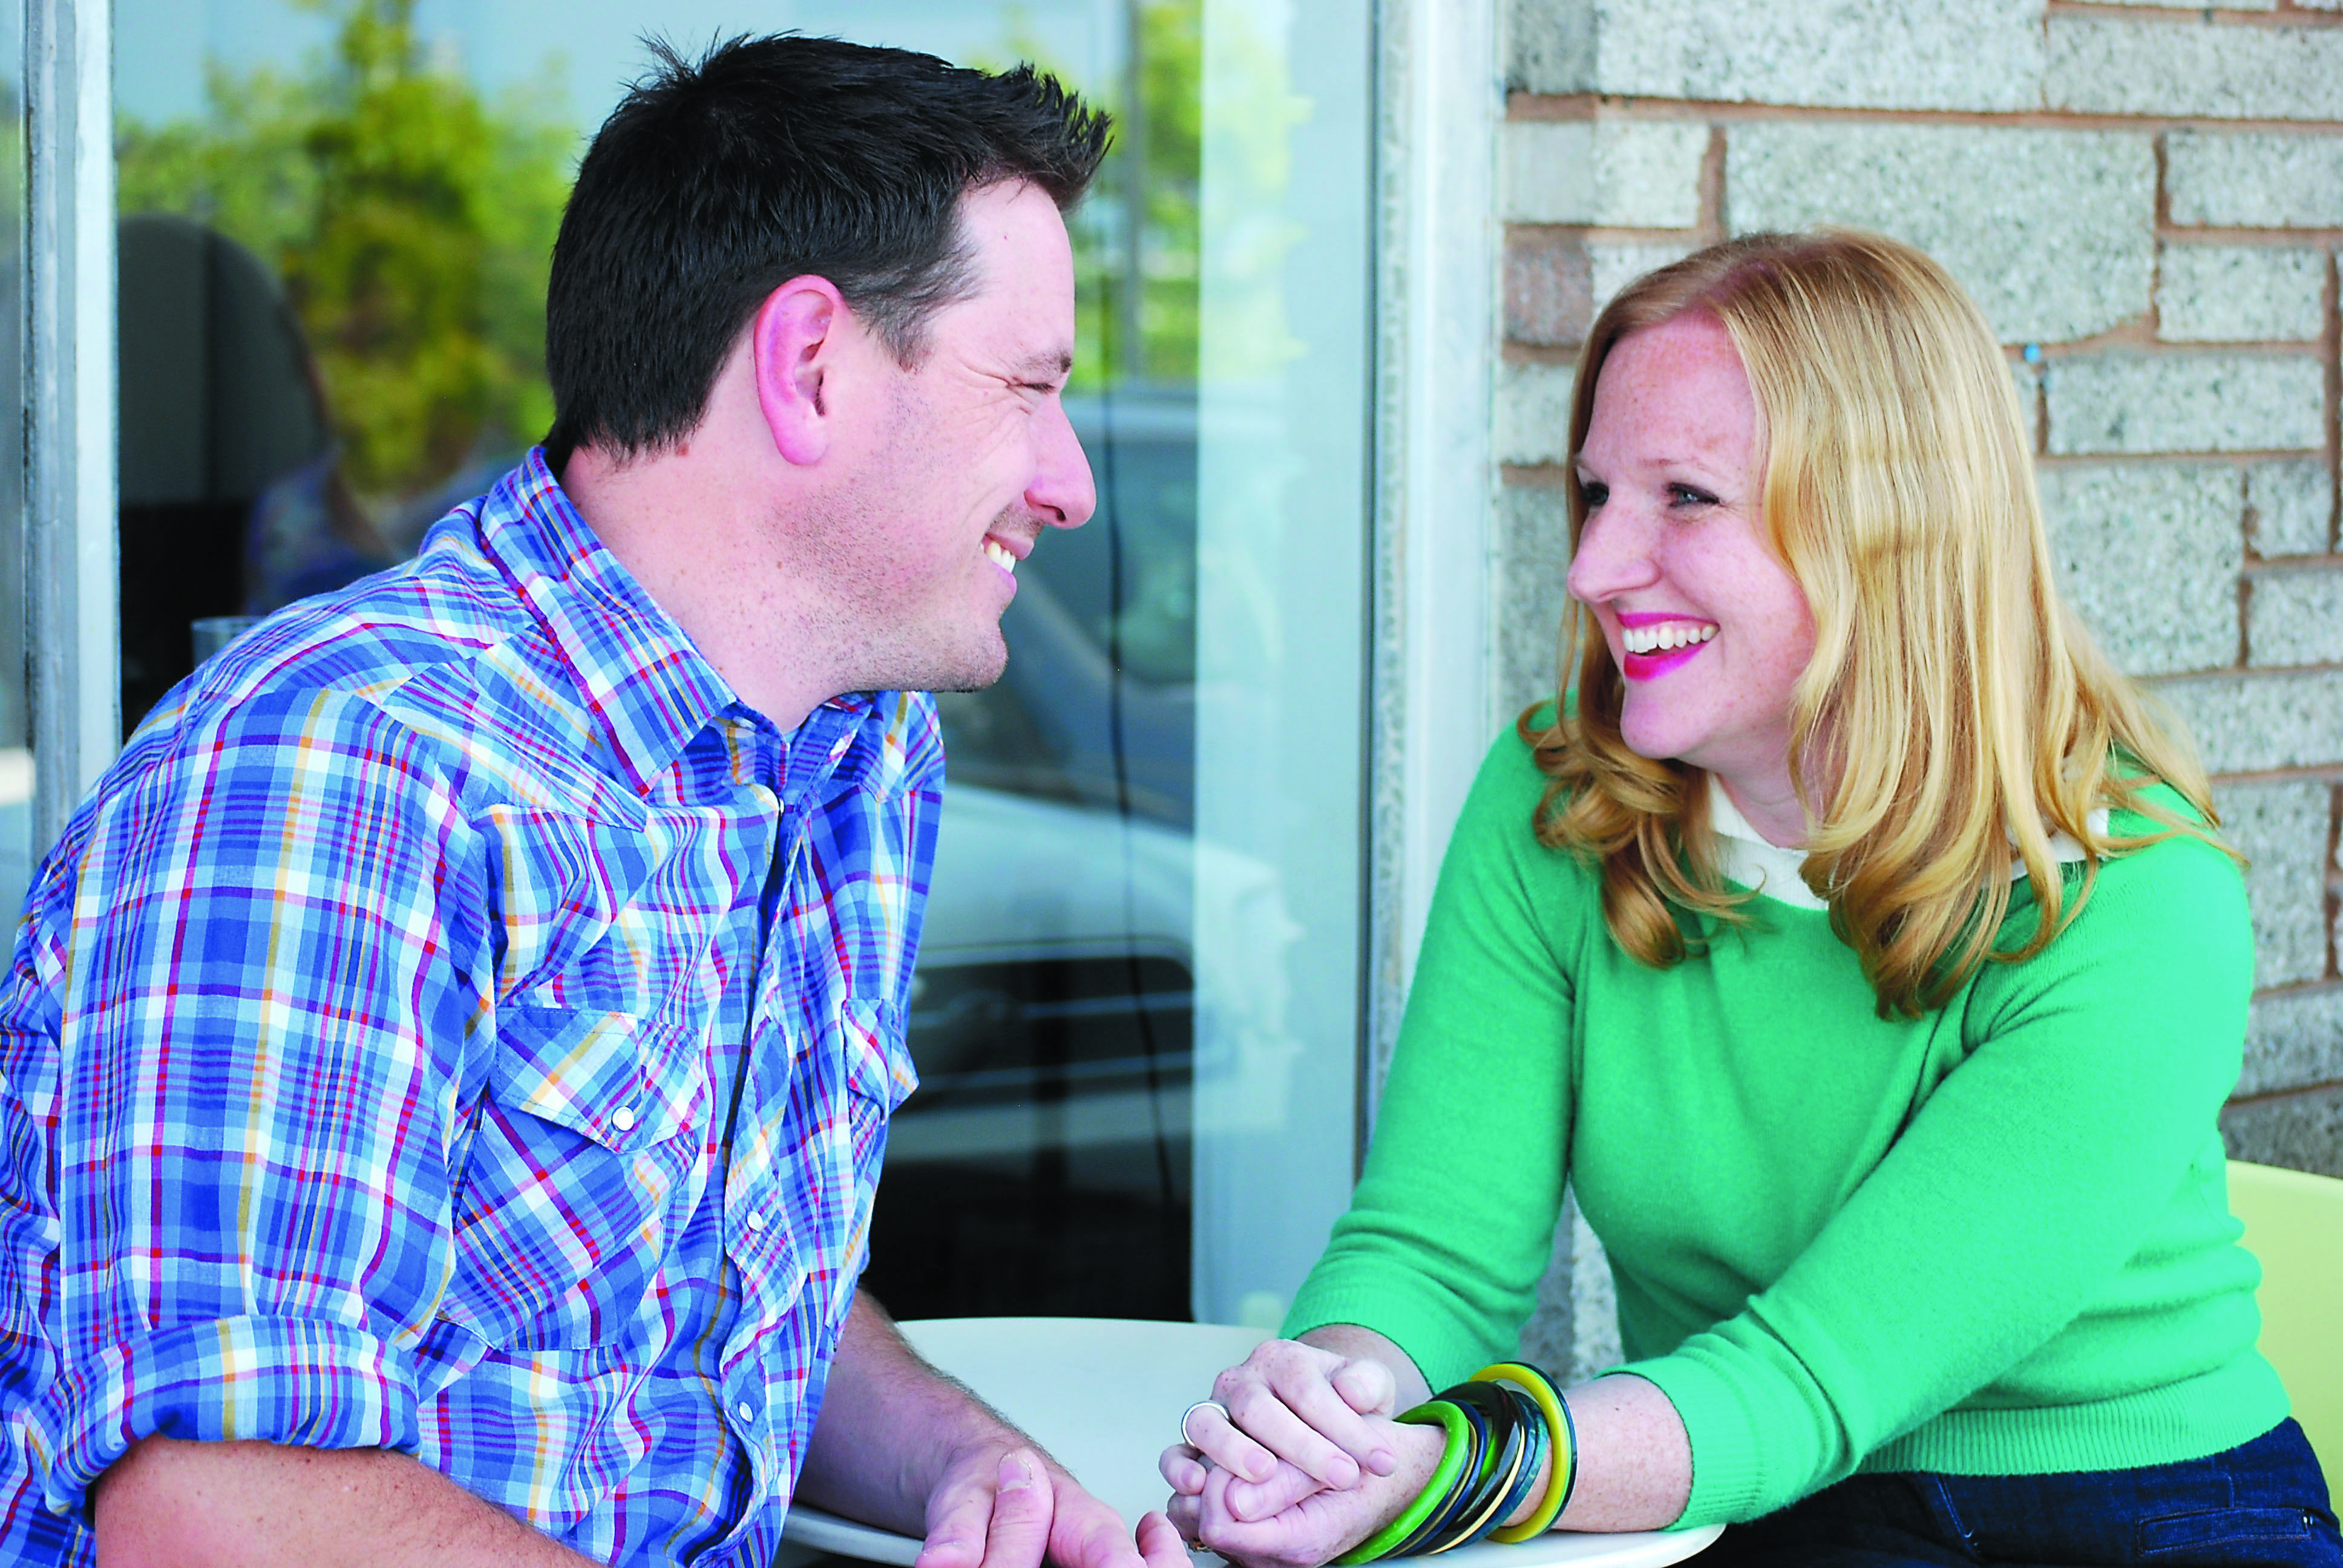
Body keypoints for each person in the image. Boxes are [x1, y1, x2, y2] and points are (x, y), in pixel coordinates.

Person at [0, 34, 1189, 1568]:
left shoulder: (853, 754)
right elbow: (221, 1510)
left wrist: (965, 1464)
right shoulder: (346, 766)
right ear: (809, 367)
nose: (1069, 480)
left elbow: (713, 1303)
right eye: (1026, 388)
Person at [1159, 230, 2343, 1566]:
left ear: (1886, 531)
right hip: (1735, 1488)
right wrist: (1321, 1421)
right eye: (1595, 492)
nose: (1593, 567)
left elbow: (1814, 1375)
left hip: (2142, 1506)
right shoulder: (1557, 801)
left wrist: (1451, 1472)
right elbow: (1432, 1253)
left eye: (1685, 497)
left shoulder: (2141, 895)